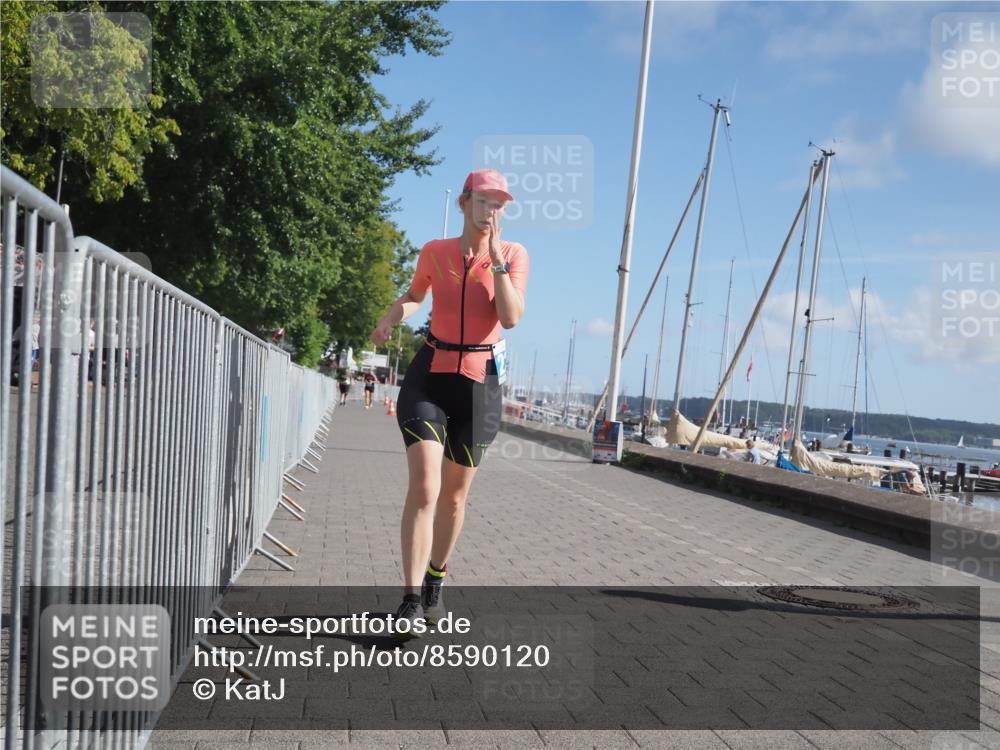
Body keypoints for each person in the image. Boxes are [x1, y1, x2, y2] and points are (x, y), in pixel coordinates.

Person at [370, 168, 528, 634]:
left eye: (499, 204)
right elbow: (416, 295)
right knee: (425, 488)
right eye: (484, 202)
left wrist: (496, 260)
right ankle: (411, 598)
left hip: (481, 384)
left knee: (455, 498)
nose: (491, 211)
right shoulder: (435, 252)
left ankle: (436, 577)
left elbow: (511, 316)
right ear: (464, 203)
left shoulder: (516, 255)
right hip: (431, 376)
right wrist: (390, 317)